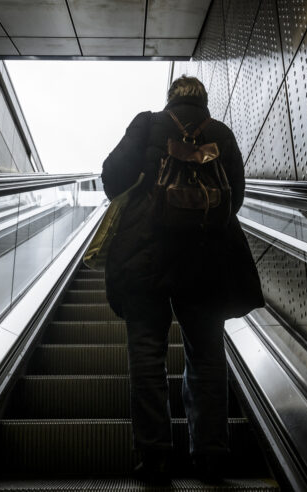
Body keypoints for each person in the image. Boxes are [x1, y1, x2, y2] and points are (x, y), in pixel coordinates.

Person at [101, 76, 264, 483]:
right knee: (207, 357)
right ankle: (210, 455)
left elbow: (112, 178)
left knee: (147, 355)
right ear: (204, 103)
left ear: (170, 99)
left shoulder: (148, 123)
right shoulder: (221, 133)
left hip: (144, 255)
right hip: (207, 261)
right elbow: (236, 197)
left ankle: (154, 455)